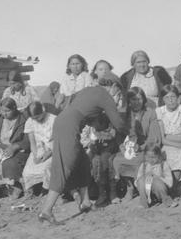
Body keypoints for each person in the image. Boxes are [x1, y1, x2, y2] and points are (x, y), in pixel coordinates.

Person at [38, 79, 127, 225]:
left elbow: (78, 107)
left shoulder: (88, 90)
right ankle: (46, 211)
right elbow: (118, 122)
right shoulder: (105, 94)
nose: (117, 96)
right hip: (70, 125)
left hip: (63, 121)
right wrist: (128, 131)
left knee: (83, 162)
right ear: (114, 86)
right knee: (64, 168)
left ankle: (85, 202)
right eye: (118, 92)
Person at [110, 87, 162, 204]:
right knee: (118, 160)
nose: (136, 102)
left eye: (139, 99)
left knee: (138, 160)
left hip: (146, 148)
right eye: (133, 99)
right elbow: (119, 135)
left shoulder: (150, 113)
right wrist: (122, 147)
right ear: (128, 100)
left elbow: (154, 137)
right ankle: (129, 187)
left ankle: (141, 189)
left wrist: (141, 147)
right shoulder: (124, 115)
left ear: (143, 100)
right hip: (129, 148)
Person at [0, 98, 30, 200]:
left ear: (14, 108)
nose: (4, 114)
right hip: (2, 149)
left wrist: (15, 146)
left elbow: (29, 139)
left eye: (7, 111)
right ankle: (4, 188)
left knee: (10, 163)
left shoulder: (23, 119)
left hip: (19, 149)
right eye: (2, 111)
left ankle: (17, 187)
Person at [155, 85, 181, 194]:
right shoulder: (160, 112)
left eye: (173, 97)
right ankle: (172, 187)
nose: (170, 100)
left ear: (178, 97)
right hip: (168, 145)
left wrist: (167, 136)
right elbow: (163, 140)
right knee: (167, 157)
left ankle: (173, 188)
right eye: (167, 97)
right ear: (163, 99)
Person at [80, 113, 118, 207]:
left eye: (96, 125)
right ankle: (98, 192)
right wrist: (94, 146)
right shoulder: (94, 130)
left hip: (110, 151)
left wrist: (103, 139)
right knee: (94, 162)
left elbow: (111, 143)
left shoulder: (110, 130)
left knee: (105, 162)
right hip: (99, 152)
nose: (94, 127)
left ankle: (110, 192)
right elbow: (93, 145)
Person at [22, 102, 56, 198]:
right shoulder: (30, 122)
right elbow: (32, 142)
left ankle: (46, 190)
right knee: (28, 170)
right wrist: (35, 155)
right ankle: (31, 190)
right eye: (34, 118)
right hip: (38, 148)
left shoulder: (53, 119)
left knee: (46, 167)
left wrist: (48, 153)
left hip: (53, 149)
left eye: (38, 117)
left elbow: (57, 140)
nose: (36, 120)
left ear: (43, 111)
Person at [135, 142, 177, 208]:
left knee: (156, 182)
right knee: (141, 180)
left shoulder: (163, 165)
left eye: (153, 157)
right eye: (148, 157)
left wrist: (157, 177)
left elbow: (170, 183)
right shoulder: (144, 165)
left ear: (159, 156)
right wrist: (145, 177)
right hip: (148, 194)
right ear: (145, 156)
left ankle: (167, 201)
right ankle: (144, 203)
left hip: (160, 193)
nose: (151, 160)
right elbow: (137, 182)